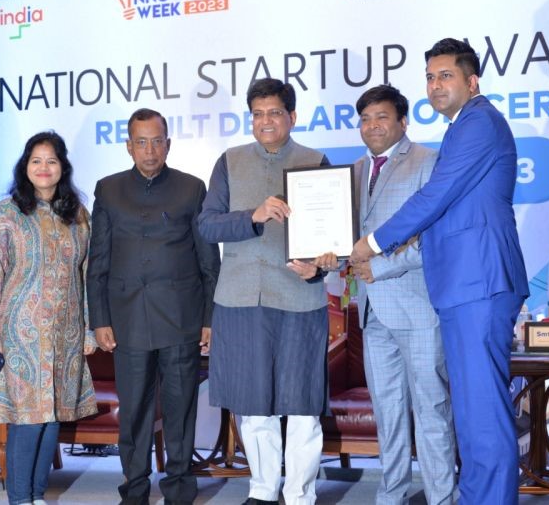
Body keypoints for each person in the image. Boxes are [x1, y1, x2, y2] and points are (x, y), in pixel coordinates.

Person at [351, 39, 529, 505]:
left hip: (480, 280)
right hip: (461, 285)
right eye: (430, 77)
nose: (435, 85)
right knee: (470, 413)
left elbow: (436, 196)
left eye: (445, 75)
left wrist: (373, 244)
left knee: (482, 413)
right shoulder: (461, 127)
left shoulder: (479, 122)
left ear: (472, 80)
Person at [318, 84, 456, 504]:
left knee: (431, 410)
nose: (372, 126)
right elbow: (346, 240)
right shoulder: (354, 172)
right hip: (371, 313)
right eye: (365, 119)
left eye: (381, 117)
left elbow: (433, 239)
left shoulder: (428, 162)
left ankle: (441, 498)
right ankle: (391, 495)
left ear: (403, 121)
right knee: (388, 412)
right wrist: (327, 256)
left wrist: (378, 267)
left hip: (418, 310)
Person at [198, 78, 330, 505]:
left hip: (299, 299)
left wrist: (319, 267)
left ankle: (300, 495)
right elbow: (207, 225)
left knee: (303, 404)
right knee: (253, 403)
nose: (266, 121)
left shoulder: (316, 162)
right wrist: (253, 215)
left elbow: (335, 239)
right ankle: (262, 489)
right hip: (240, 298)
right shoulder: (230, 161)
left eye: (275, 112)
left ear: (293, 117)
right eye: (258, 114)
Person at [87, 108, 220, 505]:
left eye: (157, 141)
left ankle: (179, 489)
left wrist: (210, 318)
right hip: (126, 320)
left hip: (181, 318)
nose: (150, 150)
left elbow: (208, 261)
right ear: (129, 146)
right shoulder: (108, 189)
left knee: (180, 411)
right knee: (133, 412)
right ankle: (135, 490)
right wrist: (99, 319)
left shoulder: (191, 188)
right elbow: (98, 261)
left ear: (168, 144)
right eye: (141, 142)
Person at [0, 131, 98, 505]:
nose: (44, 168)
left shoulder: (78, 215)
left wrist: (88, 330)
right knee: (28, 419)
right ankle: (19, 499)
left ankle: (37, 496)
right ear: (25, 166)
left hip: (65, 333)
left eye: (51, 160)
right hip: (19, 335)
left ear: (63, 167)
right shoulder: (7, 213)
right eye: (36, 160)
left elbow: (87, 276)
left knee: (52, 417)